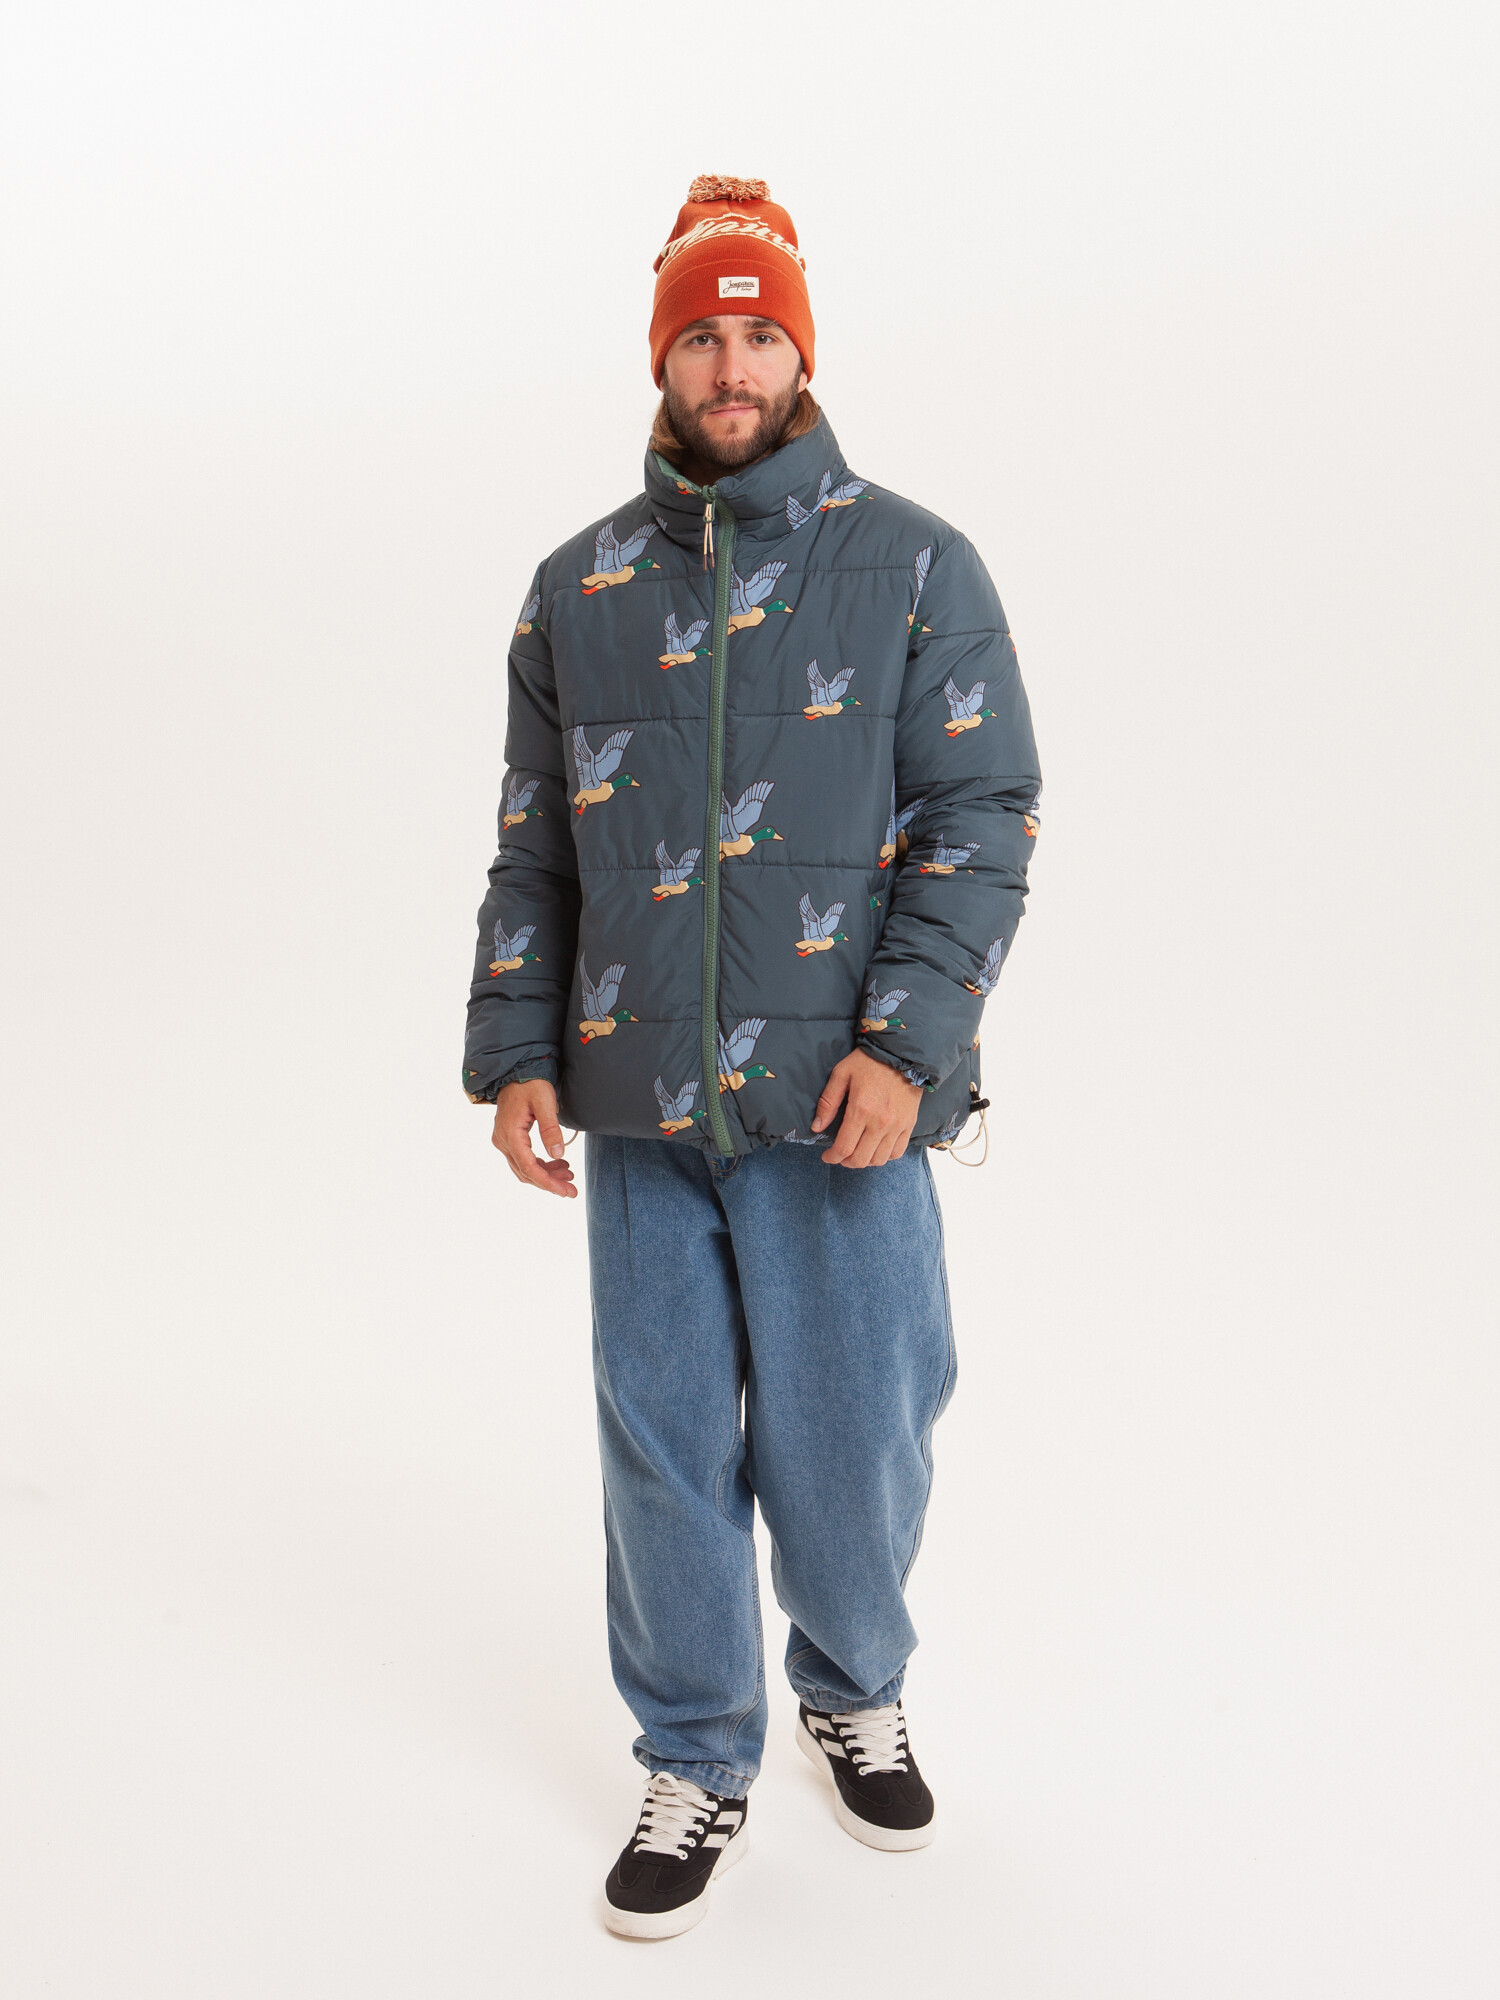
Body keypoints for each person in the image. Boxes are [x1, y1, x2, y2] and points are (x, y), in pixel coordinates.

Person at [464, 174, 1041, 1939]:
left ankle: (851, 1685)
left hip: (838, 1114)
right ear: (662, 359)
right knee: (661, 1445)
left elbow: (981, 819)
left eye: (761, 333)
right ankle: (695, 1752)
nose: (733, 365)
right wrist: (517, 1050)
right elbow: (535, 845)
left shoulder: (917, 565)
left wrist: (909, 1049)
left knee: (860, 1436)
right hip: (638, 1104)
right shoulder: (578, 588)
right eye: (703, 335)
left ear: (803, 355)